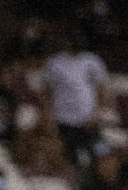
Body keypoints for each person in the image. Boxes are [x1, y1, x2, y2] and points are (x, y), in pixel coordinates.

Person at [42, 32, 108, 167]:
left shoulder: (93, 61)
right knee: (71, 158)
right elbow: (47, 91)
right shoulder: (55, 62)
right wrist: (49, 114)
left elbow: (103, 91)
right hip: (63, 120)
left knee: (101, 153)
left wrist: (96, 114)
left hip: (88, 121)